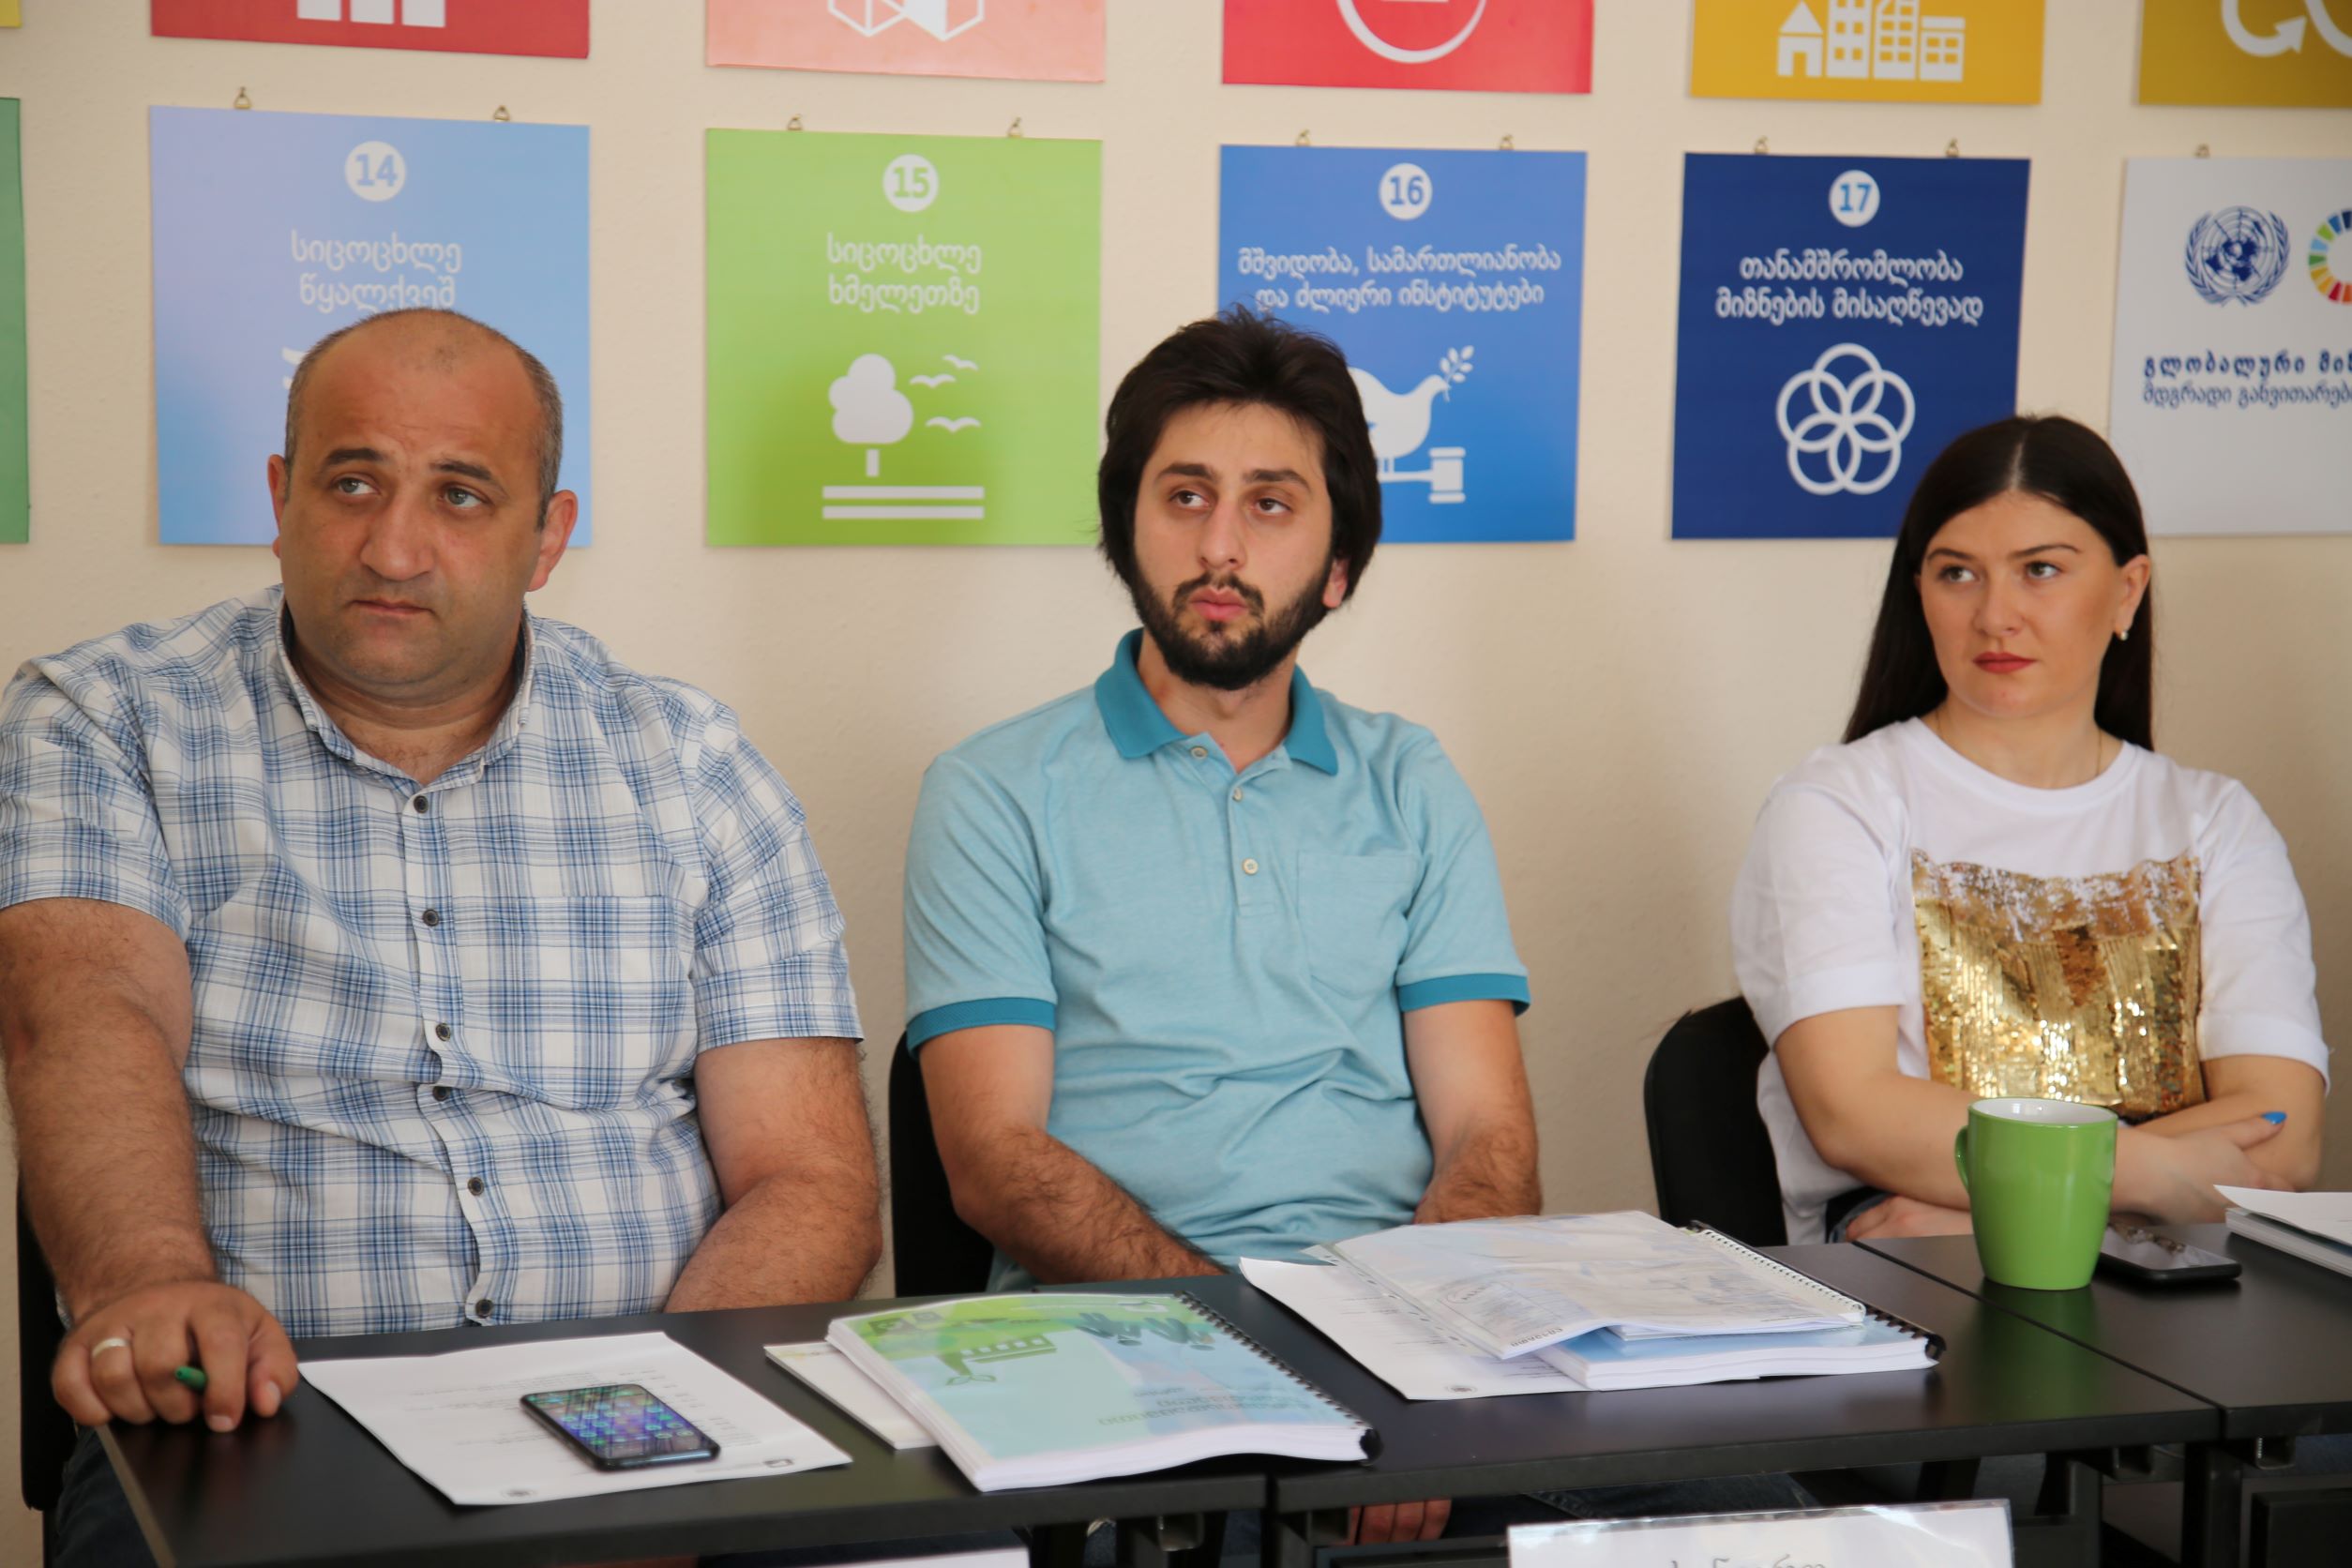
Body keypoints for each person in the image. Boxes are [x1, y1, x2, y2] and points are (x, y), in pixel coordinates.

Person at [0, 309, 880, 1567]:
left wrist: (657, 1453)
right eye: (352, 483)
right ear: (280, 498)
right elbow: (86, 1016)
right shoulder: (106, 718)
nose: (394, 548)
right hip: (265, 1422)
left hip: (656, 1411)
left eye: (460, 496)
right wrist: (150, 1283)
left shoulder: (691, 760)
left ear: (546, 538)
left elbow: (810, 1176)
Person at [1733, 415, 2328, 1247]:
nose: (1995, 615)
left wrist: (2006, 1204)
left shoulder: (2217, 822)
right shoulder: (1838, 804)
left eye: (2040, 570)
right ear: (1919, 592)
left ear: (2127, 591)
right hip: (1918, 1286)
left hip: (2144, 1276)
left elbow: (2283, 1137)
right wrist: (2153, 1180)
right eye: (1957, 574)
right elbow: (1853, 1114)